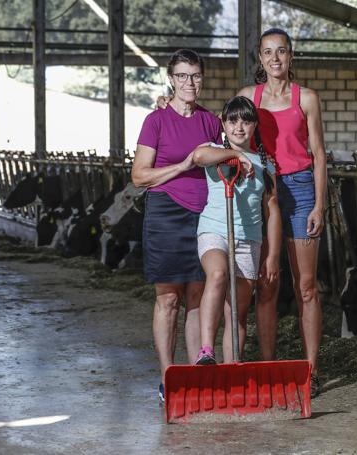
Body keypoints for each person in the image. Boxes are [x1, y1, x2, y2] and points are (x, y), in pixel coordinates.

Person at [237, 28, 327, 397]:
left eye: (282, 52)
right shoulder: (248, 97)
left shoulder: (306, 98)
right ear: (260, 58)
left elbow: (319, 153)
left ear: (291, 57)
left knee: (306, 287)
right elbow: (225, 130)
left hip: (302, 189)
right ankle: (270, 365)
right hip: (262, 190)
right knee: (267, 284)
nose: (275, 59)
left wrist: (321, 204)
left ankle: (311, 370)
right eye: (268, 52)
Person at [131, 49, 222, 402]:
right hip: (166, 211)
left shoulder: (210, 122)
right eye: (182, 76)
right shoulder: (155, 121)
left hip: (205, 213)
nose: (189, 83)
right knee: (168, 298)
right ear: (171, 78)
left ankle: (196, 373)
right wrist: (184, 165)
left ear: (202, 79)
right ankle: (168, 377)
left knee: (197, 295)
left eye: (195, 76)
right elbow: (139, 176)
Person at [191, 96, 280, 365]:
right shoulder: (214, 151)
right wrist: (237, 154)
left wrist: (272, 255)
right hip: (214, 231)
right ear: (223, 124)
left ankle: (233, 369)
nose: (239, 127)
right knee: (217, 274)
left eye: (246, 121)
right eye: (232, 121)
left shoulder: (266, 164)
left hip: (248, 239)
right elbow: (198, 156)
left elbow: (272, 211)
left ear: (255, 126)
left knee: (237, 313)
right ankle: (206, 350)